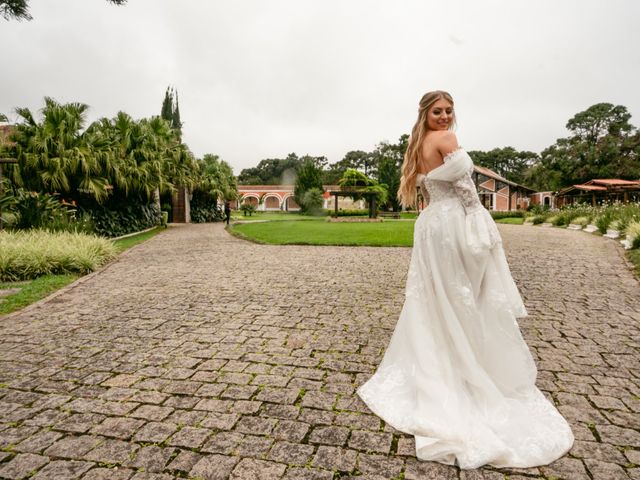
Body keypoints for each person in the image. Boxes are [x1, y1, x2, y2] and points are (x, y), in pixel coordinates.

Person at [357, 91, 574, 469]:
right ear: (426, 113)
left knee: (433, 298)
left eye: (449, 111)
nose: (445, 116)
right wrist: (482, 229)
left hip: (430, 227)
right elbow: (468, 195)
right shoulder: (447, 140)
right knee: (464, 296)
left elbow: (431, 191)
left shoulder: (417, 145)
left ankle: (442, 362)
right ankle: (465, 368)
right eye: (438, 111)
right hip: (454, 224)